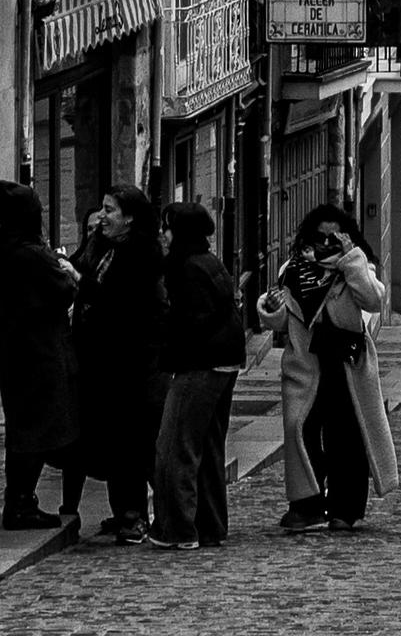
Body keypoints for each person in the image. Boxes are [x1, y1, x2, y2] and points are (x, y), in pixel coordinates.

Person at [256, 199, 397, 532]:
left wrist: (351, 259)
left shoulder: (357, 267)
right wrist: (272, 308)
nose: (326, 244)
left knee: (347, 437)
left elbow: (373, 300)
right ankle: (306, 505)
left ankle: (345, 510)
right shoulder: (294, 270)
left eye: (334, 238)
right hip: (306, 365)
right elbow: (286, 321)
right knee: (300, 430)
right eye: (320, 237)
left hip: (347, 365)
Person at [61, 185, 167, 543]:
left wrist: (81, 282)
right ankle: (124, 512)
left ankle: (136, 515)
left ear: (130, 217)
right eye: (103, 208)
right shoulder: (101, 245)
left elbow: (122, 303)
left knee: (131, 443)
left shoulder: (143, 254)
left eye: (110, 210)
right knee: (113, 441)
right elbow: (82, 269)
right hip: (98, 360)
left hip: (131, 363)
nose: (103, 216)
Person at [0, 181, 78, 530]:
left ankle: (18, 498)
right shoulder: (30, 253)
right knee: (35, 428)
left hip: (12, 348)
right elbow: (65, 290)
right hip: (38, 352)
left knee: (22, 426)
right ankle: (21, 502)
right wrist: (65, 272)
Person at [150, 201, 247, 551]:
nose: (163, 234)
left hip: (201, 364)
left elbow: (193, 322)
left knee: (176, 446)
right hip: (223, 361)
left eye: (167, 227)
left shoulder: (187, 267)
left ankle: (177, 528)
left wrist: (166, 342)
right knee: (207, 447)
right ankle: (211, 526)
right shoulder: (208, 260)